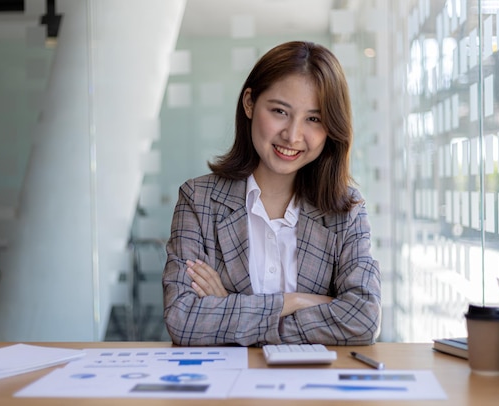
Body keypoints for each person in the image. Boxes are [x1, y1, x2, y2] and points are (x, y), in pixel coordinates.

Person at [162, 40, 381, 346]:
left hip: (315, 388)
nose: (292, 135)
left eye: (313, 119)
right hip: (227, 389)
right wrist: (297, 301)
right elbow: (183, 319)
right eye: (280, 111)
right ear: (250, 103)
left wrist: (229, 309)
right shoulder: (199, 200)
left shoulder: (347, 210)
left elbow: (363, 319)